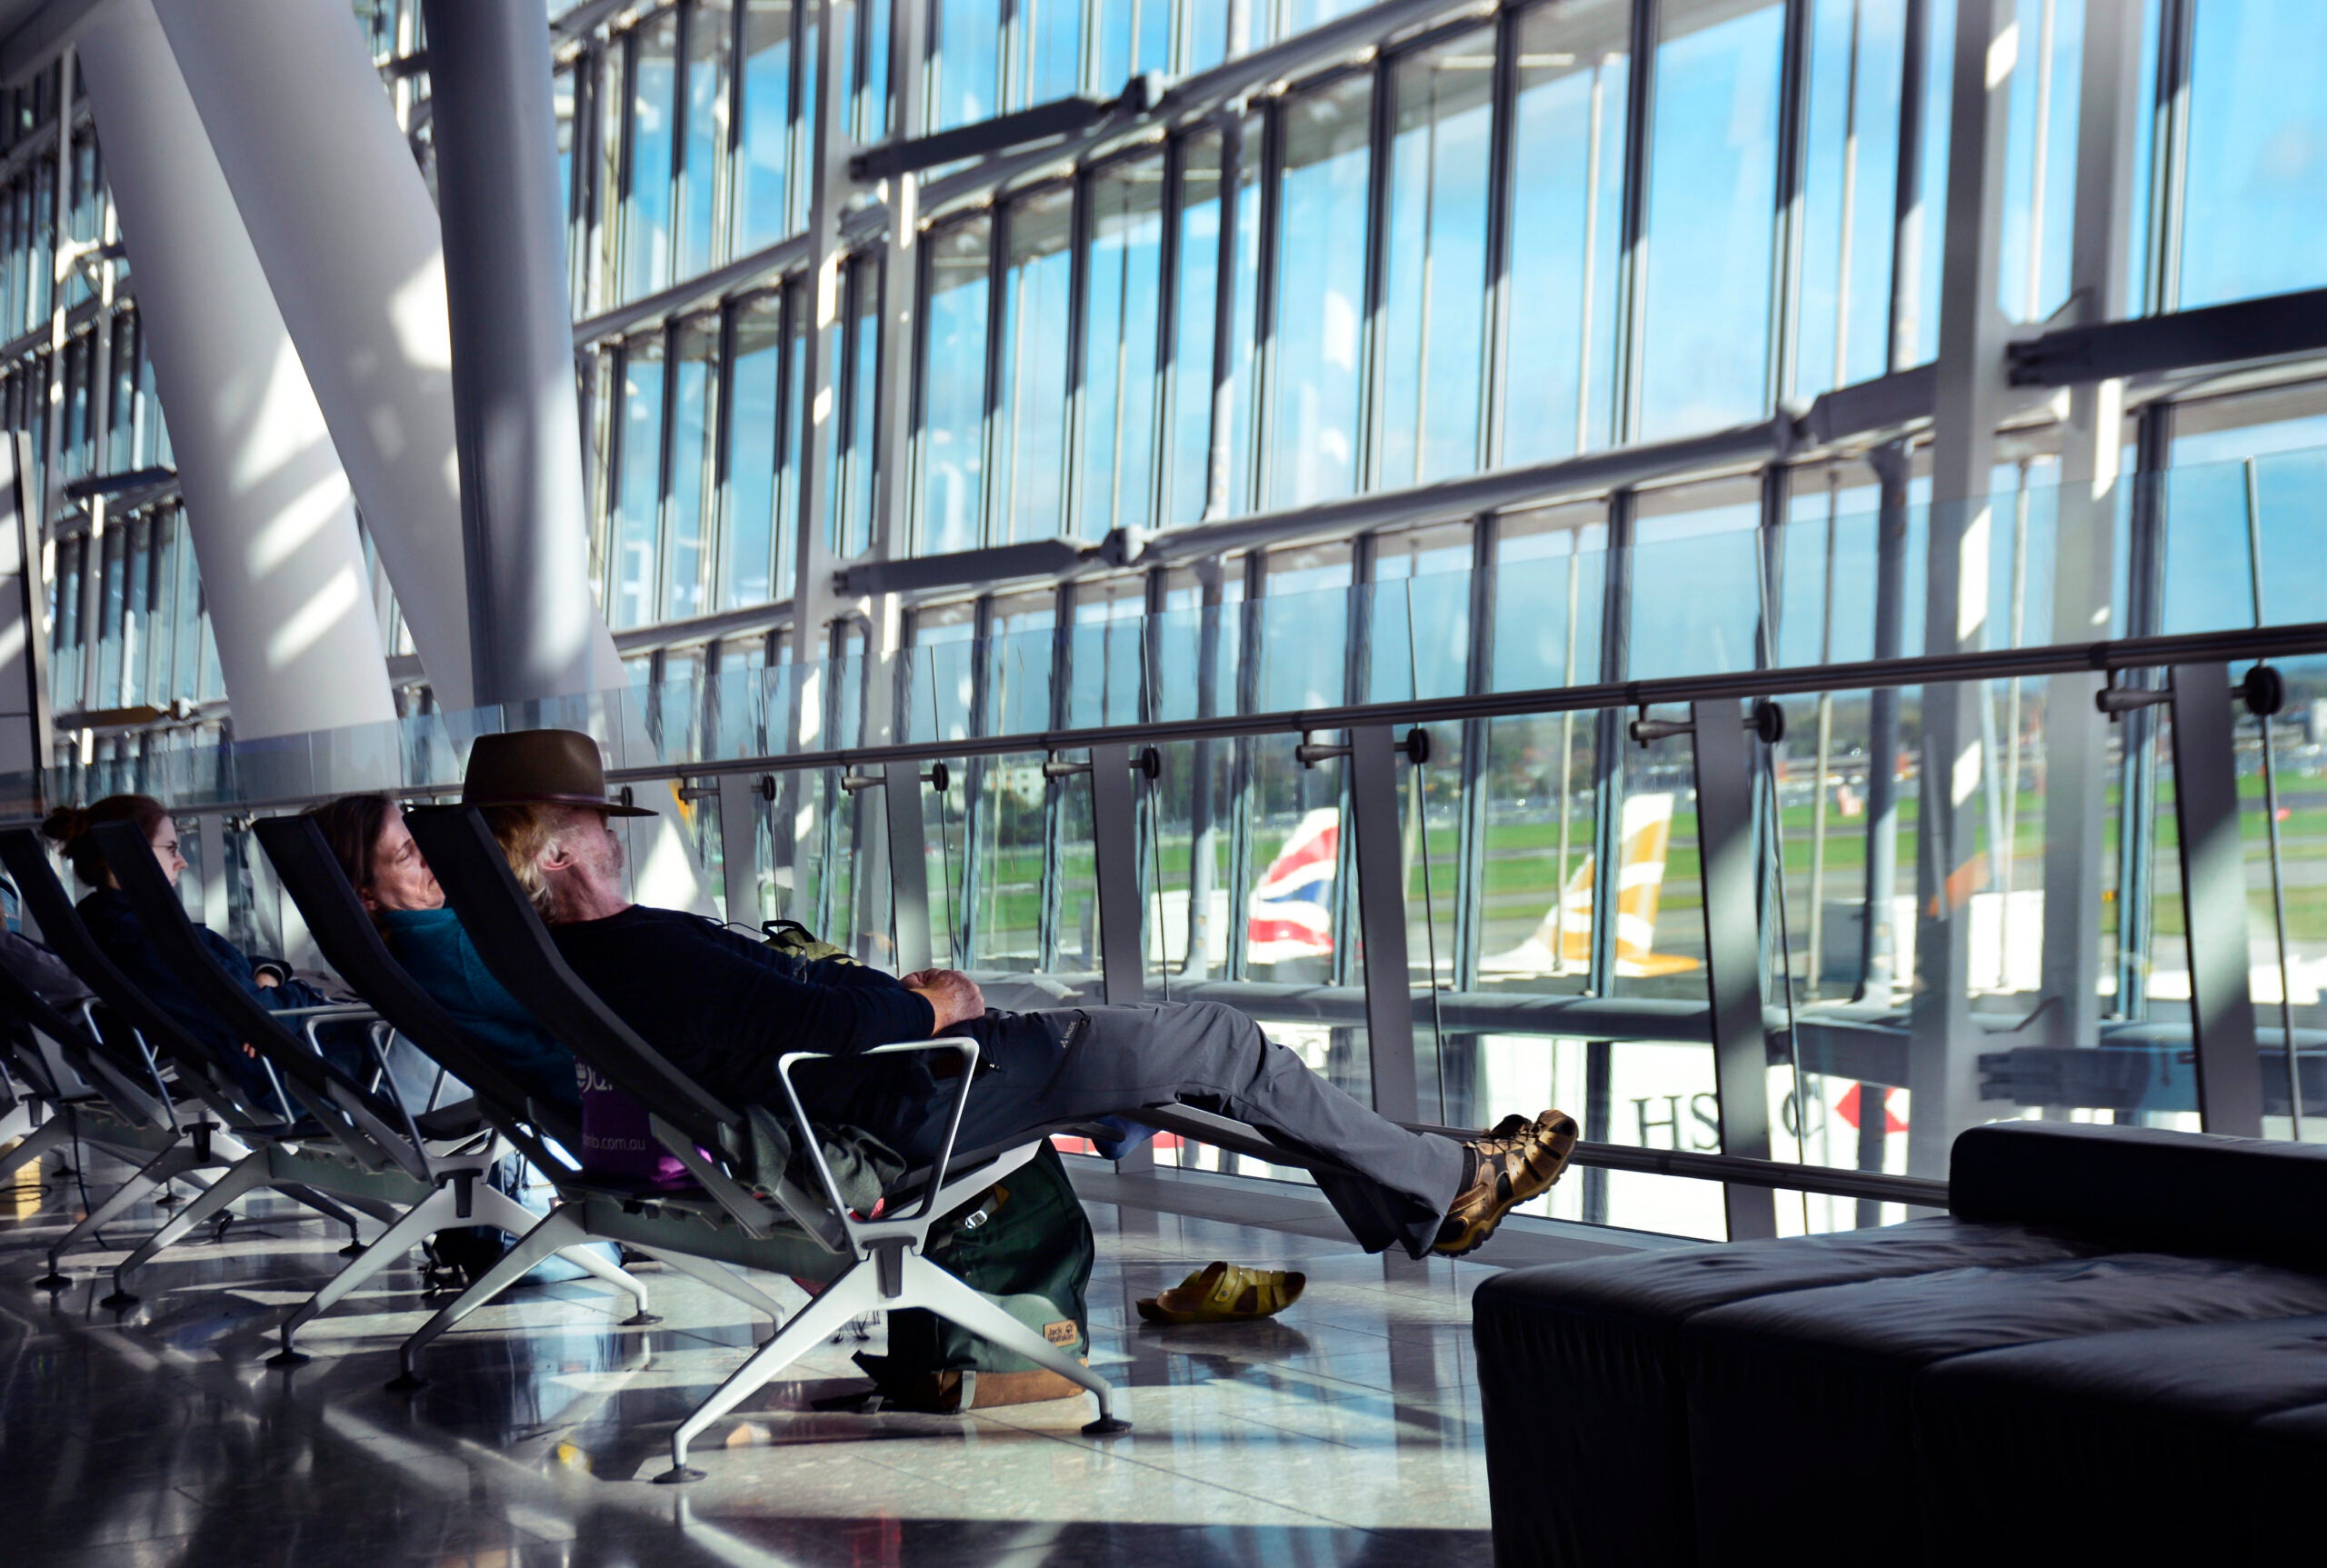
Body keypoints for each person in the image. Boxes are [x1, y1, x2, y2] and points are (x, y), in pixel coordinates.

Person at [467, 731, 1576, 1260]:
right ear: (557, 853)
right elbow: (828, 1023)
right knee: (1220, 1042)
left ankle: (1427, 1189)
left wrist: (895, 1005)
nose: (612, 834)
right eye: (595, 822)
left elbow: (784, 1015)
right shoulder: (644, 955)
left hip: (885, 1088)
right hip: (917, 1094)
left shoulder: (592, 962)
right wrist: (932, 1008)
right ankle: (1447, 1179)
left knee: (1177, 1070)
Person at [41, 794, 342, 1108]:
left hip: (281, 1052)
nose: (182, 861)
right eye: (171, 848)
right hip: (300, 1072)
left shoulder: (101, 926)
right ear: (122, 853)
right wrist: (296, 997)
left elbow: (229, 985)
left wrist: (268, 977)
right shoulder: (148, 941)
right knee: (363, 1015)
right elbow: (258, 1015)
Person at [305, 794, 579, 1120]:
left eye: (416, 838)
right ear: (367, 897)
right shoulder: (455, 949)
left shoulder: (401, 945)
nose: (425, 854)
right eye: (405, 855)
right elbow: (571, 1007)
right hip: (586, 1086)